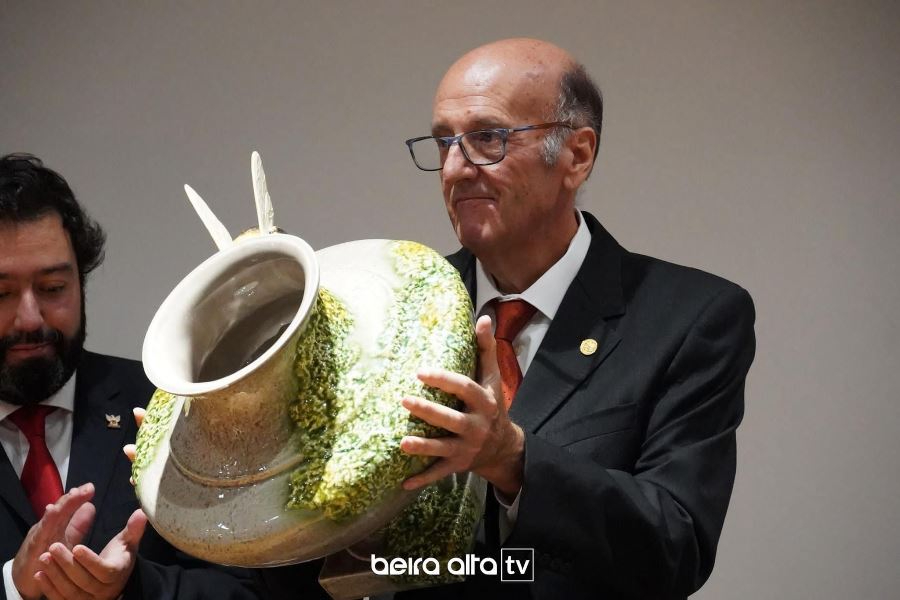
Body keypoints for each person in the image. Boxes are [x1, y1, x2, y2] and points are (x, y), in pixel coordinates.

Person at [394, 38, 756, 599]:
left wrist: (514, 460)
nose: (455, 168)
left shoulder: (691, 318)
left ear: (577, 155)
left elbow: (675, 546)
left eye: (487, 137)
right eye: (443, 141)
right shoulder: (399, 307)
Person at [0, 154, 260, 600]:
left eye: (53, 288)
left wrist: (133, 587)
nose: (30, 318)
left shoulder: (173, 407)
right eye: (1, 292)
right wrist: (11, 586)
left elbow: (254, 589)